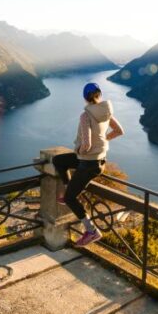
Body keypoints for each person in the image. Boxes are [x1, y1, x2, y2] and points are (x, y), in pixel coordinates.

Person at [52, 82, 124, 247]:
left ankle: (91, 231)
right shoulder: (106, 113)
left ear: (85, 98)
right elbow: (119, 131)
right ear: (100, 94)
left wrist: (78, 148)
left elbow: (87, 145)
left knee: (71, 198)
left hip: (88, 163)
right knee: (59, 160)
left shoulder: (86, 116)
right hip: (98, 161)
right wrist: (105, 139)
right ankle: (68, 187)